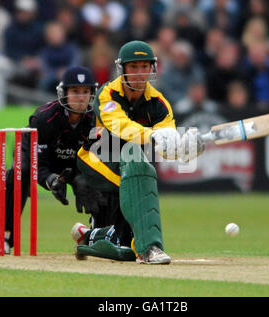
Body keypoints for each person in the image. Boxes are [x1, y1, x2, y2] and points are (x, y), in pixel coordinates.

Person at [70, 40, 204, 264]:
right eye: (134, 67)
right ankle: (150, 248)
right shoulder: (107, 94)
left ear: (152, 68)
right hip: (95, 159)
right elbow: (120, 126)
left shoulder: (160, 104)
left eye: (145, 66)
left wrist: (183, 148)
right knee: (138, 173)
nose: (140, 73)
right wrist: (152, 135)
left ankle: (91, 235)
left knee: (124, 245)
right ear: (122, 69)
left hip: (128, 164)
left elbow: (166, 144)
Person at [0, 66, 98, 254]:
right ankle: (3, 237)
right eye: (75, 91)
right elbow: (37, 162)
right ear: (63, 93)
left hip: (72, 161)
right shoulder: (44, 117)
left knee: (100, 181)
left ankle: (99, 235)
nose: (81, 97)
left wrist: (82, 177)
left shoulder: (95, 120)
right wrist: (50, 180)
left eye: (85, 92)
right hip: (33, 155)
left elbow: (94, 157)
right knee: (18, 173)